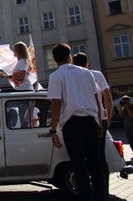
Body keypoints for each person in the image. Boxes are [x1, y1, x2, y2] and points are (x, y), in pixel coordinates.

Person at [47, 43, 105, 201]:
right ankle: (101, 197)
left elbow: (56, 104)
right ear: (69, 56)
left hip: (72, 123)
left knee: (79, 165)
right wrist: (99, 124)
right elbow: (96, 100)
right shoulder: (87, 73)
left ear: (54, 59)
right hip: (90, 120)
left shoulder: (56, 76)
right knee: (95, 163)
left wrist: (53, 130)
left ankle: (85, 197)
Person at [73, 52, 113, 196]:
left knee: (84, 157)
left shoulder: (74, 77)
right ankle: (103, 191)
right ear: (87, 63)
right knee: (100, 157)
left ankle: (87, 191)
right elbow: (107, 97)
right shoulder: (97, 74)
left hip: (83, 117)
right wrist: (107, 116)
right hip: (99, 117)